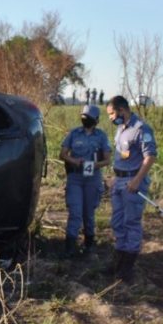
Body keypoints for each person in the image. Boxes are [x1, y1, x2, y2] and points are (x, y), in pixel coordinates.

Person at [105, 95, 156, 282]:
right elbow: (121, 156)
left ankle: (127, 268)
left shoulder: (141, 129)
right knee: (117, 222)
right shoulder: (121, 129)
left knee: (131, 223)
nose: (110, 118)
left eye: (112, 113)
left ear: (122, 110)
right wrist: (114, 177)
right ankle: (118, 261)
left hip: (132, 183)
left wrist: (136, 180)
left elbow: (149, 157)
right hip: (119, 182)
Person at [59, 105, 111, 257]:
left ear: (96, 120)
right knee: (75, 212)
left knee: (88, 213)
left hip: (92, 179)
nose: (85, 119)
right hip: (75, 177)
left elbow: (107, 160)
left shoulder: (101, 136)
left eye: (88, 117)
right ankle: (70, 247)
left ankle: (89, 245)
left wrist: (96, 165)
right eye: (83, 116)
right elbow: (63, 154)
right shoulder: (74, 133)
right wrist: (73, 160)